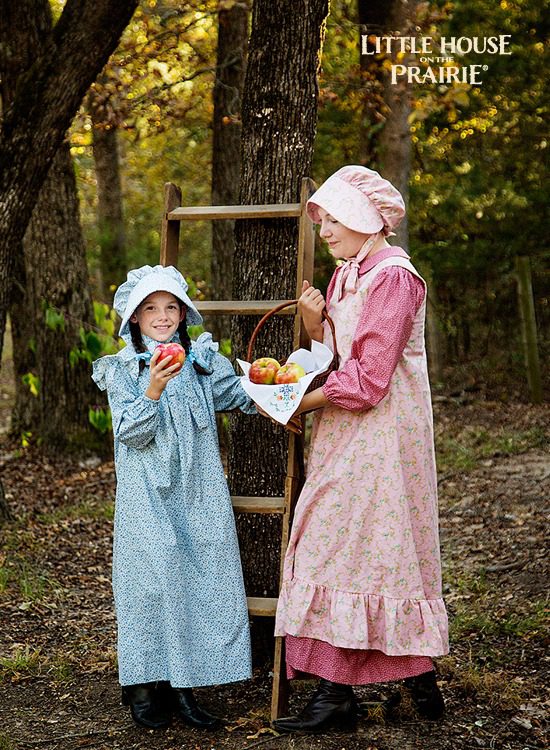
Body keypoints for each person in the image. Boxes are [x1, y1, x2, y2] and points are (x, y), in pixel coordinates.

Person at [269, 166, 449, 733]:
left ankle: (338, 695)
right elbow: (345, 356)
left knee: (356, 548)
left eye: (337, 218)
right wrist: (315, 326)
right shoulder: (351, 272)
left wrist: (299, 403)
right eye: (324, 218)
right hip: (348, 433)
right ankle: (413, 679)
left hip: (383, 436)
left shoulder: (394, 278)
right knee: (360, 548)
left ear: (369, 220)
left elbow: (369, 380)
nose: (324, 230)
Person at [92, 265, 254, 731]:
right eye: (150, 309)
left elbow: (240, 394)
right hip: (148, 493)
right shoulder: (123, 369)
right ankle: (145, 687)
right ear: (135, 320)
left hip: (199, 488)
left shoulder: (201, 361)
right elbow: (131, 434)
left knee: (196, 580)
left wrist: (285, 388)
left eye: (170, 307)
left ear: (183, 314)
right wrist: (155, 387)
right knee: (151, 583)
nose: (162, 316)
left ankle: (185, 686)